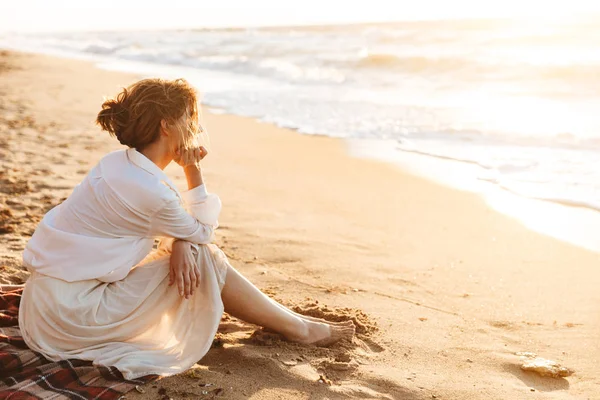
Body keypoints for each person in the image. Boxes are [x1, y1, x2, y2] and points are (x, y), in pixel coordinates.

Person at [18, 78, 355, 380]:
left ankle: (297, 324)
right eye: (188, 117)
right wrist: (192, 170)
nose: (195, 126)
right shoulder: (152, 190)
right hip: (73, 321)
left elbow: (174, 224)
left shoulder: (117, 164)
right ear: (167, 126)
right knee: (208, 257)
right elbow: (203, 231)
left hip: (46, 309)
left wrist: (183, 239)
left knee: (193, 248)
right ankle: (300, 329)